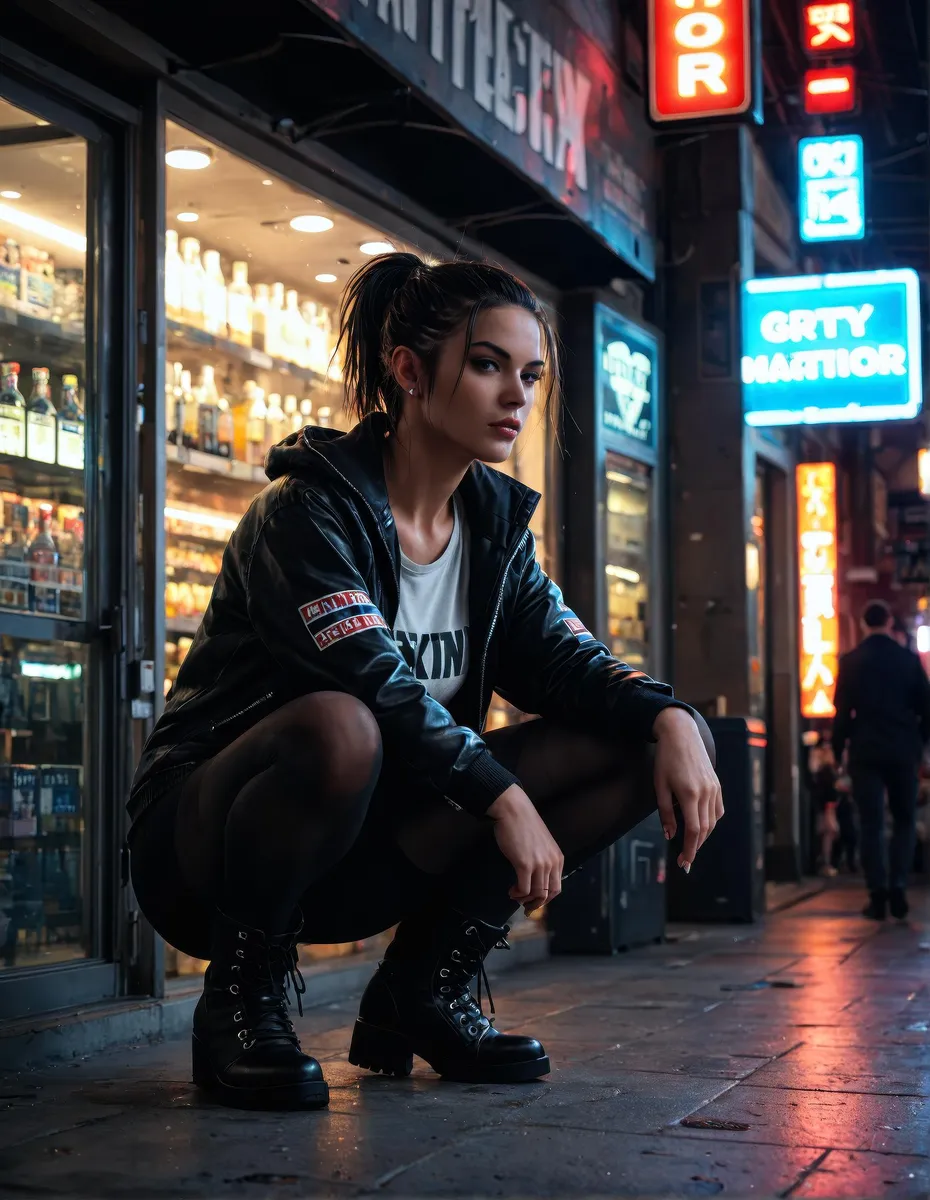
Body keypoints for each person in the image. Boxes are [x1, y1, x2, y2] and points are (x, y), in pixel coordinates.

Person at [127, 252, 721, 1112]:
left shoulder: (494, 532)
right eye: (487, 366)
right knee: (342, 725)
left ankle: (423, 991)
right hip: (209, 855)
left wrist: (672, 719)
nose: (516, 395)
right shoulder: (306, 513)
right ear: (409, 371)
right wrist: (505, 799)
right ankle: (239, 1003)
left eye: (529, 374)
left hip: (374, 848)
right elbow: (375, 684)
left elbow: (568, 661)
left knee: (629, 741)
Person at [832, 600, 930, 921]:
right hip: (903, 750)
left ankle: (877, 894)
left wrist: (838, 751)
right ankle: (898, 885)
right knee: (903, 820)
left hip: (866, 750)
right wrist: (920, 745)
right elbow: (926, 709)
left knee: (870, 824)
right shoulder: (908, 660)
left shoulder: (851, 662)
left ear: (862, 623)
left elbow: (842, 714)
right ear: (889, 622)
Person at [809, 741, 839, 877]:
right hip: (828, 806)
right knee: (829, 832)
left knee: (824, 833)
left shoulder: (818, 773)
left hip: (824, 806)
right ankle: (825, 864)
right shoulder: (827, 771)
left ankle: (822, 863)